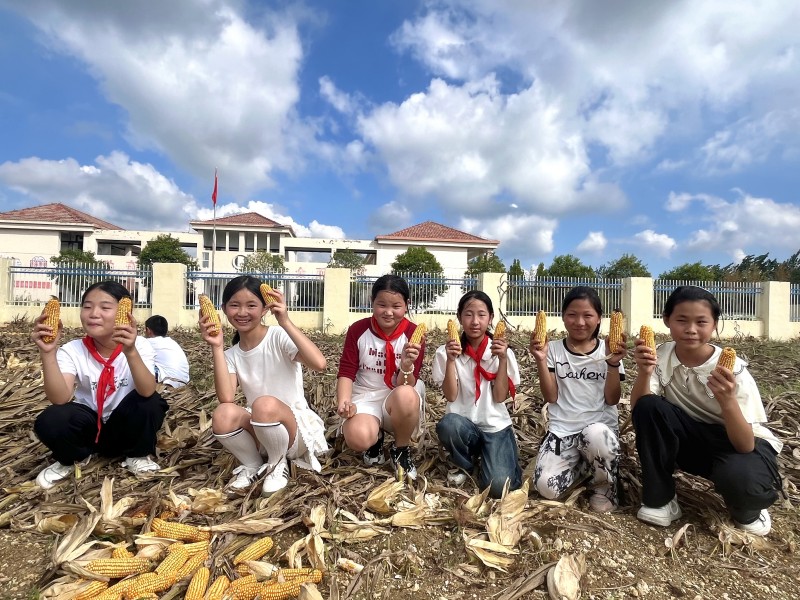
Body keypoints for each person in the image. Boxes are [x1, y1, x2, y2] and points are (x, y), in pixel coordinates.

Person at [631, 285, 782, 535]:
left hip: (739, 445)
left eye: (701, 322)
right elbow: (640, 412)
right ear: (667, 320)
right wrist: (645, 372)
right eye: (681, 320)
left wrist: (728, 401)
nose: (691, 329)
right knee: (649, 405)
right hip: (691, 439)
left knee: (742, 483)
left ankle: (750, 509)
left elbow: (745, 444)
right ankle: (660, 499)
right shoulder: (661, 356)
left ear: (714, 325)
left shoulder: (735, 372)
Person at [31, 281, 168, 489]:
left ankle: (137, 455)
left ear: (125, 313)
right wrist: (48, 352)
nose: (93, 313)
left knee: (151, 403)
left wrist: (129, 351)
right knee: (51, 418)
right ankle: (73, 458)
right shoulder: (73, 350)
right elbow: (60, 398)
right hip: (88, 427)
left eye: (105, 307)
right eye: (87, 306)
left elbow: (147, 389)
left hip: (124, 427)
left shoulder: (140, 345)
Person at [199, 275, 328, 495]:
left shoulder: (277, 336)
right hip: (261, 429)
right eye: (234, 305)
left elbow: (319, 363)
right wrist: (217, 347)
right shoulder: (231, 354)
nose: (242, 313)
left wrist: (285, 321)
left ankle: (278, 465)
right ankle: (252, 464)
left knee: (264, 404)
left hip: (294, 432)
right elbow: (227, 398)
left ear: (265, 309)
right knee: (222, 413)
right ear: (223, 308)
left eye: (251, 305)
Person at [530, 286, 627, 513]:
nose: (579, 322)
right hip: (563, 430)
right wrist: (541, 361)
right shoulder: (552, 349)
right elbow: (551, 396)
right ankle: (584, 469)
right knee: (546, 488)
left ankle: (605, 486)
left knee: (595, 434)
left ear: (599, 319)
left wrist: (612, 362)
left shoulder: (609, 349)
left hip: (599, 433)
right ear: (563, 317)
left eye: (588, 315)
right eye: (572, 315)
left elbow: (612, 399)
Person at [432, 290, 521, 498]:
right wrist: (452, 361)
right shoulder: (444, 353)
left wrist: (503, 361)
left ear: (490, 318)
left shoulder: (502, 352)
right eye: (468, 314)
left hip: (495, 426)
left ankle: (496, 456)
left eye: (482, 315)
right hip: (463, 425)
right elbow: (451, 396)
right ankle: (464, 462)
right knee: (448, 424)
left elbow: (500, 397)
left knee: (498, 488)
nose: (475, 321)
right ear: (459, 317)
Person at [337, 274, 425, 480]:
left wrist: (405, 365)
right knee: (358, 438)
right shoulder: (358, 330)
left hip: (396, 397)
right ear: (372, 303)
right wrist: (344, 402)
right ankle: (375, 437)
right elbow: (347, 371)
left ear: (406, 305)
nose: (388, 312)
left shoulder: (414, 334)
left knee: (407, 394)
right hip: (366, 395)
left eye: (396, 306)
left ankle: (401, 449)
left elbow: (410, 383)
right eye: (381, 305)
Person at [144, 315, 190, 388]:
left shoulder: (148, 342)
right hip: (183, 382)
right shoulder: (172, 342)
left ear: (148, 330)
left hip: (169, 382)